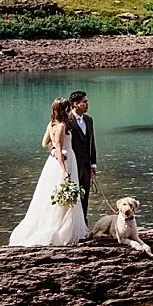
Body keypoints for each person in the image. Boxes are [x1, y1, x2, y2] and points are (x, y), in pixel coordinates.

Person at [7, 97, 88, 247]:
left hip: (54, 162)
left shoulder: (51, 124)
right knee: (64, 194)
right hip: (64, 161)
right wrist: (64, 170)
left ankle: (63, 226)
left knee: (52, 194)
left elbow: (45, 143)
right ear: (65, 110)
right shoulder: (62, 126)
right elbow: (58, 148)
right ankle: (64, 231)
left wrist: (53, 152)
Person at [69, 89, 98, 217]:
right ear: (75, 104)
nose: (87, 104)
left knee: (84, 197)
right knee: (72, 197)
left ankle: (83, 226)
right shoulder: (67, 120)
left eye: (87, 102)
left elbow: (92, 142)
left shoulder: (89, 120)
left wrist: (93, 164)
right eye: (84, 102)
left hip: (86, 166)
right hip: (72, 164)